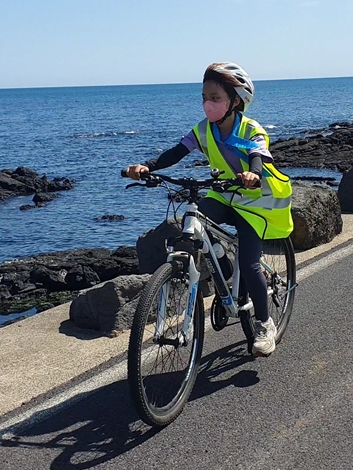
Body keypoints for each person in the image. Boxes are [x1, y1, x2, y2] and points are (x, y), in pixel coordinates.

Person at [123, 62, 293, 358]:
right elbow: (177, 152)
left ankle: (265, 325)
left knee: (251, 263)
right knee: (193, 219)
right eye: (205, 96)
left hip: (254, 204)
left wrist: (253, 174)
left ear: (235, 101)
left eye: (215, 97)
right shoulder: (203, 130)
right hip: (225, 196)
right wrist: (147, 166)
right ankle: (224, 266)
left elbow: (257, 155)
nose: (207, 103)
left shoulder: (251, 129)